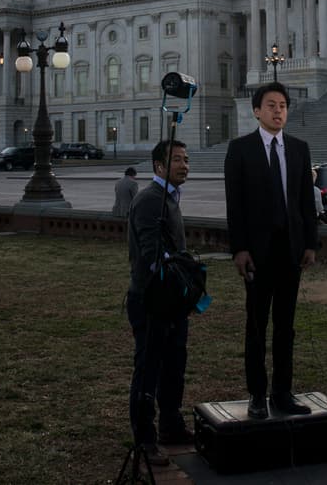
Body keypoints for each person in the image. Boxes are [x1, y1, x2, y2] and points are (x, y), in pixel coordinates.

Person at [225, 81, 318, 419]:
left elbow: (306, 201)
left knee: (285, 326)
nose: (278, 111)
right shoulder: (240, 149)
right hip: (257, 253)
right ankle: (257, 394)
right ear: (256, 111)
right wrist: (240, 249)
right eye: (271, 105)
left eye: (283, 105)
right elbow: (234, 205)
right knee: (256, 325)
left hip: (290, 251)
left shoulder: (298, 148)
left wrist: (310, 243)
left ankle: (282, 392)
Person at [126, 139, 193, 466]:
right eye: (177, 160)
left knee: (174, 366)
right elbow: (151, 257)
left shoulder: (168, 198)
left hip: (173, 301)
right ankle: (145, 438)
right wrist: (179, 269)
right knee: (149, 368)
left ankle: (170, 425)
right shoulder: (150, 200)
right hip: (151, 300)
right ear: (158, 167)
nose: (184, 165)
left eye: (186, 159)